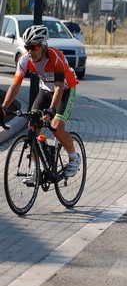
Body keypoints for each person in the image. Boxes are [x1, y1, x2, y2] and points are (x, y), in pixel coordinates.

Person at [1, 25, 80, 184]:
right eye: (27, 47)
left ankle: (74, 158)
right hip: (45, 90)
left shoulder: (55, 57)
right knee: (32, 126)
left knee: (56, 126)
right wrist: (3, 107)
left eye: (34, 47)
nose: (30, 51)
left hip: (65, 89)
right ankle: (36, 171)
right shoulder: (24, 60)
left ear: (43, 46)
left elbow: (58, 87)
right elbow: (15, 86)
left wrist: (52, 110)